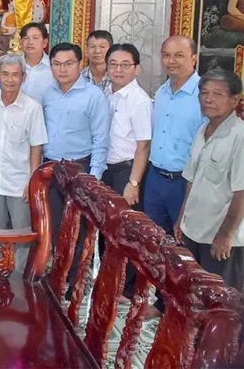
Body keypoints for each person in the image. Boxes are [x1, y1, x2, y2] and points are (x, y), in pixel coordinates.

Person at [144, 35, 205, 319]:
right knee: (159, 244)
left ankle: (185, 306)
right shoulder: (162, 92)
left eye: (179, 55)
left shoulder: (204, 95)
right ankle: (162, 302)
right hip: (156, 179)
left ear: (193, 58)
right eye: (166, 55)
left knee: (185, 247)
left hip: (186, 182)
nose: (171, 61)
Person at [42, 42, 109, 291]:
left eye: (68, 63)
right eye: (57, 64)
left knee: (78, 229)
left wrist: (93, 178)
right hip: (51, 167)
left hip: (79, 167)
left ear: (80, 64)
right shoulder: (47, 94)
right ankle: (58, 274)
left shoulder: (94, 96)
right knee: (55, 224)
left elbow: (101, 139)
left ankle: (76, 281)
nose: (62, 69)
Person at [0, 53, 47, 272]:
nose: (10, 80)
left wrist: (31, 181)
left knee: (21, 232)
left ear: (24, 77)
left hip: (19, 183)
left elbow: (36, 147)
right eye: (5, 74)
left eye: (15, 75)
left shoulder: (32, 108)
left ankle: (19, 277)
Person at [175, 69, 244, 291]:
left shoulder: (240, 136)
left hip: (221, 237)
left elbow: (241, 192)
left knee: (222, 300)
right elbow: (191, 181)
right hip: (194, 229)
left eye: (217, 94)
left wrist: (225, 235)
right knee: (194, 292)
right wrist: (182, 218)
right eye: (204, 93)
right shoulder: (203, 130)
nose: (208, 99)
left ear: (235, 100)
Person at [101, 43, 152, 299]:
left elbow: (144, 145)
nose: (118, 70)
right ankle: (109, 279)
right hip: (107, 169)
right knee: (108, 228)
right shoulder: (107, 93)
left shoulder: (139, 100)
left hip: (127, 171)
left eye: (125, 65)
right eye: (113, 64)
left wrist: (133, 183)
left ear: (136, 68)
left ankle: (128, 287)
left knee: (128, 231)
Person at [20, 22, 55, 103]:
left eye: (35, 38)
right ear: (21, 42)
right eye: (26, 38)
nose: (30, 42)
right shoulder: (13, 65)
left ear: (45, 43)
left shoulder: (54, 66)